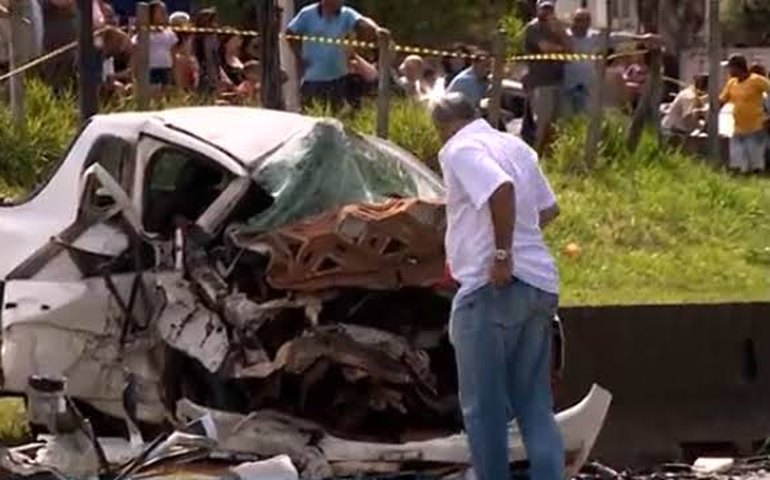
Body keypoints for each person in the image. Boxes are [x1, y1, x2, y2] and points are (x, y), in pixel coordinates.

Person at [431, 93, 562, 480]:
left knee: (483, 408)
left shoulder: (459, 149)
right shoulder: (515, 146)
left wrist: (502, 254)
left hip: (492, 290)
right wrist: (519, 241)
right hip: (540, 284)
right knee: (534, 404)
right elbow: (549, 209)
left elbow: (499, 188)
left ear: (443, 128)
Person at [286, 0, 383, 111]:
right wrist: (299, 55)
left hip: (339, 80)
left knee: (337, 119)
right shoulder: (307, 14)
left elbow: (363, 22)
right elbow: (290, 33)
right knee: (312, 118)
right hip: (313, 80)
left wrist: (377, 30)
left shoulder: (346, 14)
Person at [564, 8, 660, 116]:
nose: (582, 24)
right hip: (565, 84)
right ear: (573, 20)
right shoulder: (563, 36)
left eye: (586, 20)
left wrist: (640, 38)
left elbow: (615, 38)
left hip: (586, 85)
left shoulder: (593, 36)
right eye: (579, 20)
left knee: (584, 117)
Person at [524, 0, 572, 155]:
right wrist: (562, 49)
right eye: (544, 9)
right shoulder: (533, 28)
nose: (546, 12)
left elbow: (571, 50)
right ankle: (535, 155)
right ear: (537, 9)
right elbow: (545, 48)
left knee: (556, 123)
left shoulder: (557, 28)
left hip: (557, 80)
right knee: (542, 123)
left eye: (549, 9)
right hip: (540, 82)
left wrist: (559, 30)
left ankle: (550, 157)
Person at [720, 54, 770, 174]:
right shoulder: (731, 83)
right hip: (738, 128)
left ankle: (757, 185)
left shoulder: (757, 80)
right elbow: (721, 100)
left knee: (755, 163)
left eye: (730, 68)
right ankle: (742, 184)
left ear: (738, 67)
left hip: (755, 128)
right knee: (738, 162)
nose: (729, 71)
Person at [132, 1, 177, 88]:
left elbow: (173, 54)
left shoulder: (169, 34)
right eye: (161, 12)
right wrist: (135, 73)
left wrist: (175, 74)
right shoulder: (143, 34)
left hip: (166, 69)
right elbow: (135, 54)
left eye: (165, 11)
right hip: (149, 70)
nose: (164, 14)